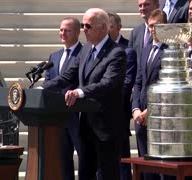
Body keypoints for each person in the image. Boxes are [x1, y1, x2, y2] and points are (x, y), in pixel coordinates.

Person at [42, 8, 126, 180]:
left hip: (106, 128)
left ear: (103, 27)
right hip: (86, 125)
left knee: (107, 174)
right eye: (82, 25)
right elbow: (67, 76)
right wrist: (44, 88)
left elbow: (108, 84)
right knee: (85, 173)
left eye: (88, 26)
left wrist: (80, 92)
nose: (84, 30)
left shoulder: (116, 53)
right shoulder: (86, 49)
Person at [44, 17, 82, 180]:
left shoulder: (85, 52)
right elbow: (48, 81)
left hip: (78, 115)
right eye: (61, 30)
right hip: (58, 117)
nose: (62, 33)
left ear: (77, 32)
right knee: (62, 159)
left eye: (67, 30)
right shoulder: (54, 56)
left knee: (85, 159)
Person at [131, 9, 167, 180]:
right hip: (141, 118)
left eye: (157, 26)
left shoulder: (171, 50)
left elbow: (167, 85)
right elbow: (138, 82)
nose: (153, 29)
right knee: (145, 165)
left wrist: (150, 109)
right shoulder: (145, 50)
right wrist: (136, 109)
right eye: (151, 26)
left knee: (164, 167)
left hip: (161, 117)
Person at [107, 12, 137, 180]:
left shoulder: (128, 51)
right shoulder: (99, 49)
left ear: (118, 28)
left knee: (122, 159)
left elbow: (127, 84)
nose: (106, 30)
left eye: (109, 26)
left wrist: (103, 96)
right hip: (98, 114)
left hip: (118, 112)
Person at [129, 0, 160, 65]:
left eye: (146, 5)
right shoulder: (135, 32)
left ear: (157, 5)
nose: (142, 8)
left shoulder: (163, 30)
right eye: (140, 6)